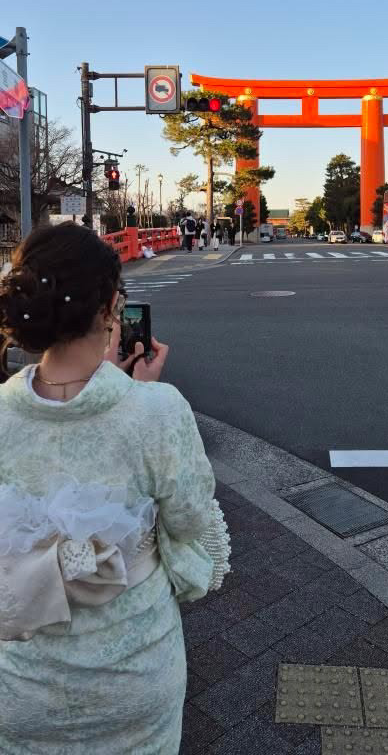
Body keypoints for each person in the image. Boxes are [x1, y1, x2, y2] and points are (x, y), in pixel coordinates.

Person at [0, 223, 228, 754]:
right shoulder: (156, 411)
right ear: (110, 310)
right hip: (135, 674)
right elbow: (193, 521)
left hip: (21, 682)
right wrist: (134, 393)